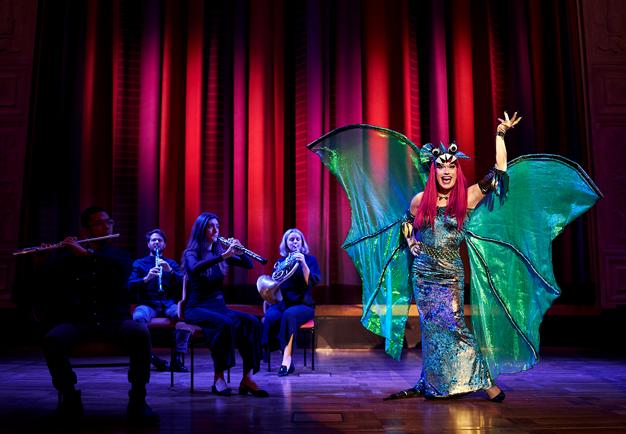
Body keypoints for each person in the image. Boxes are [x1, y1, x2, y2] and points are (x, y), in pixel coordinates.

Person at [42, 206, 159, 425]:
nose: (106, 226)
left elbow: (117, 275)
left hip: (114, 320)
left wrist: (86, 255)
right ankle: (69, 400)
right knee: (52, 339)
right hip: (80, 321)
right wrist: (50, 257)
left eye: (108, 222)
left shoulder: (121, 255)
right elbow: (49, 282)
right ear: (86, 231)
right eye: (98, 223)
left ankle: (138, 400)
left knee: (140, 333)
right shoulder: (68, 256)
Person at [182, 212, 268, 397]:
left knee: (252, 322)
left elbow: (248, 265)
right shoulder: (191, 253)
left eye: (217, 226)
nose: (215, 230)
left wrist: (240, 249)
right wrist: (224, 256)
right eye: (211, 226)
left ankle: (247, 378)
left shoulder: (219, 252)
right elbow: (195, 268)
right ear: (201, 229)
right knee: (225, 324)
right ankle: (218, 378)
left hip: (218, 307)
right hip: (196, 308)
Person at [128, 228, 190, 373]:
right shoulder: (139, 263)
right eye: (153, 240)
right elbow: (129, 284)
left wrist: (171, 272)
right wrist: (146, 278)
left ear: (164, 245)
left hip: (168, 303)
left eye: (160, 240)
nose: (156, 242)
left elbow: (184, 284)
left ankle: (177, 358)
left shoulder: (171, 263)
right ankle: (150, 357)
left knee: (184, 317)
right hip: (148, 303)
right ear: (148, 244)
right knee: (137, 318)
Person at [261, 229, 320, 376]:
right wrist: (268, 298)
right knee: (270, 316)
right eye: (291, 240)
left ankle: (286, 359)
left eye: (297, 239)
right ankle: (267, 350)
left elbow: (310, 282)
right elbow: (275, 284)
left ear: (302, 242)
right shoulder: (280, 262)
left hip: (304, 305)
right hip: (284, 303)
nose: (294, 242)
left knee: (289, 315)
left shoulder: (310, 260)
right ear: (286, 244)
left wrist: (303, 263)